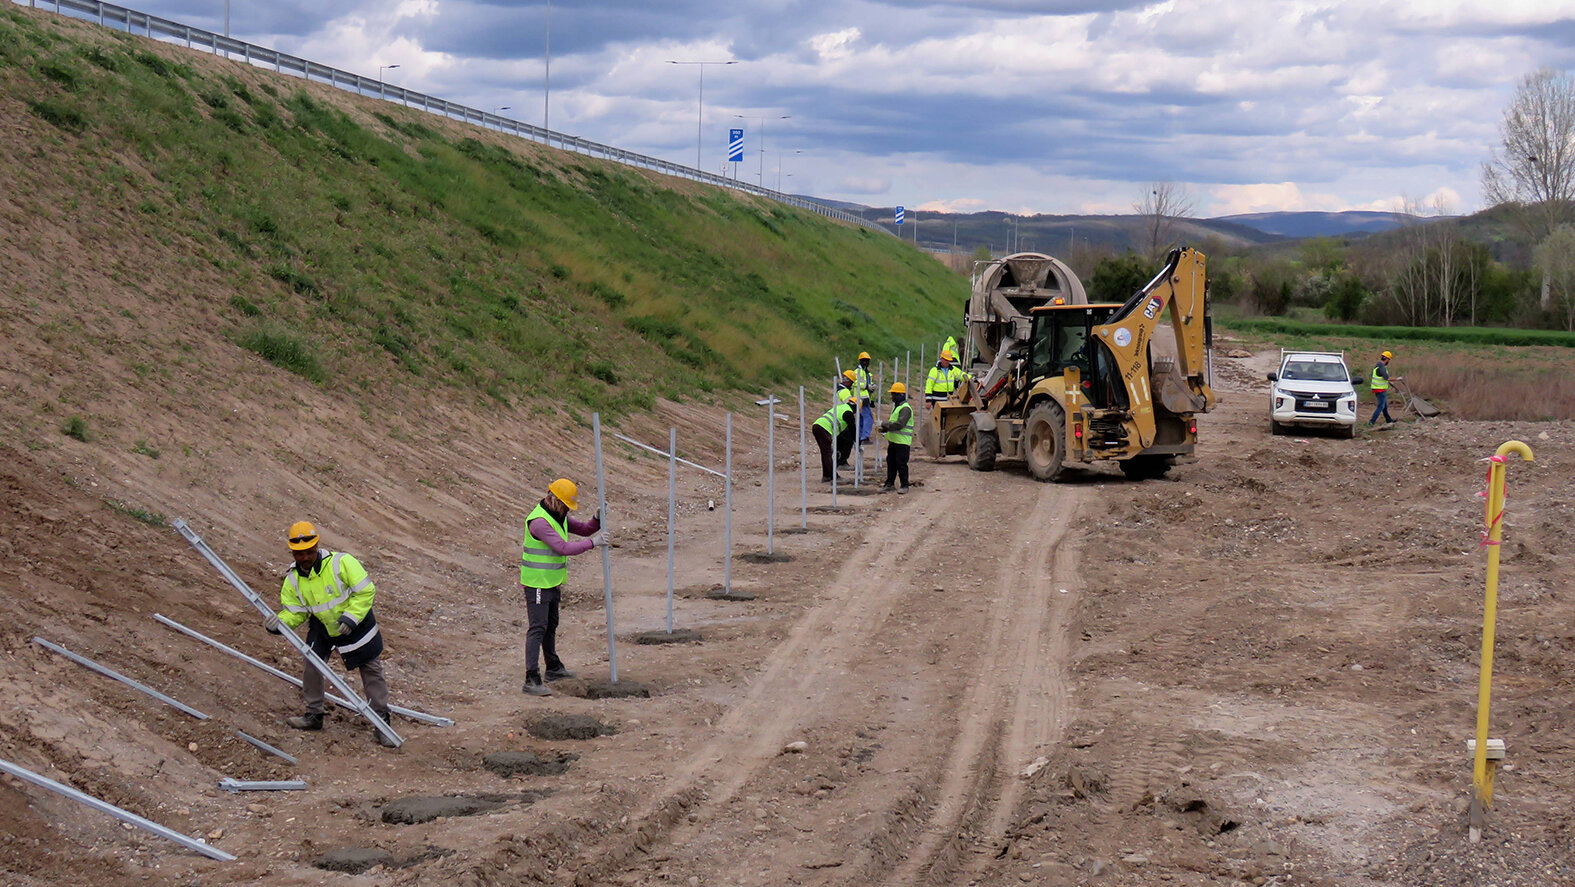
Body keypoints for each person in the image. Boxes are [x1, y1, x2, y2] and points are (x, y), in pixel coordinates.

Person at [268, 521, 396, 748]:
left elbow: (365, 591)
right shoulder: (293, 579)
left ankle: (382, 723)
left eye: (309, 552)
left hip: (355, 623)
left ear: (317, 547)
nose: (305, 557)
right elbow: (295, 612)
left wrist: (351, 617)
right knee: (312, 663)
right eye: (300, 554)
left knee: (370, 668)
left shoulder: (342, 563)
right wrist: (279, 623)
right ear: (293, 552)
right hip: (323, 626)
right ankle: (314, 715)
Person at [519, 478, 605, 697]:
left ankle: (554, 668)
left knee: (551, 625)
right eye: (565, 504)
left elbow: (585, 529)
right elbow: (563, 548)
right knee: (538, 628)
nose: (567, 509)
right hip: (537, 582)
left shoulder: (559, 516)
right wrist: (594, 543)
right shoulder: (539, 522)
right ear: (553, 498)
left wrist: (597, 519)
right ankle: (531, 678)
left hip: (552, 582)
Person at [879, 382, 914, 493]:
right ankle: (889, 483)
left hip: (902, 443)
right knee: (891, 463)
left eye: (893, 394)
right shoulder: (897, 408)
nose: (892, 397)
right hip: (894, 441)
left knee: (901, 464)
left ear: (900, 395)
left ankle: (904, 485)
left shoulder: (905, 409)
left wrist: (884, 424)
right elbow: (894, 424)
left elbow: (899, 424)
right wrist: (884, 429)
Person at [811, 397, 856, 482]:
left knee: (826, 453)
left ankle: (827, 476)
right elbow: (853, 430)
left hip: (817, 426)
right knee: (827, 453)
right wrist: (859, 443)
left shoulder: (841, 407)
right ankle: (832, 476)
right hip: (823, 428)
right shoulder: (848, 413)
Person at [1368, 350, 1402, 426]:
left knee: (1385, 406)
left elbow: (1383, 379)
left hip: (1377, 389)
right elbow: (1387, 378)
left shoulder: (1377, 366)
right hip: (1380, 390)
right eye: (1389, 359)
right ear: (1387, 359)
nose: (1389, 361)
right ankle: (1372, 422)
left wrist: (1393, 386)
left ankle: (1388, 420)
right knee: (1381, 406)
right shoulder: (1382, 367)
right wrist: (1397, 379)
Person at [855, 352, 877, 443]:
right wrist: (867, 386)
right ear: (860, 361)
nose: (866, 362)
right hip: (860, 398)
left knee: (861, 418)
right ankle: (864, 437)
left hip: (865, 398)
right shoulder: (858, 372)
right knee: (868, 418)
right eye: (864, 360)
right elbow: (855, 383)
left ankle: (859, 436)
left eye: (867, 361)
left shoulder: (867, 373)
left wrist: (871, 388)